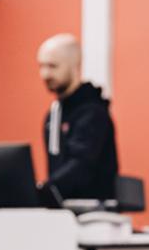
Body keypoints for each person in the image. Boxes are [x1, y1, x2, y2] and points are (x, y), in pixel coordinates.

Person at [36, 33, 119, 202]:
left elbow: (81, 166)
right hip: (63, 213)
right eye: (41, 66)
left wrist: (45, 191)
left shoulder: (93, 113)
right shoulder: (53, 115)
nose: (45, 74)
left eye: (52, 66)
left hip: (94, 215)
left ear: (74, 66)